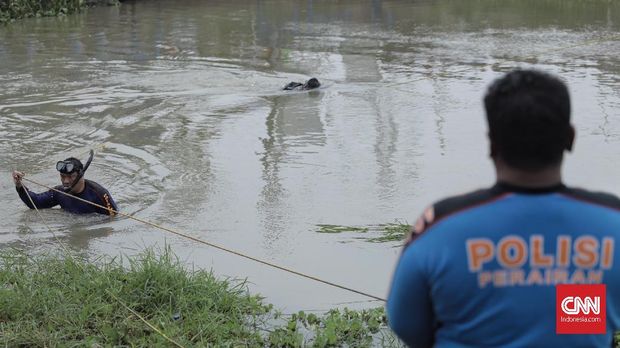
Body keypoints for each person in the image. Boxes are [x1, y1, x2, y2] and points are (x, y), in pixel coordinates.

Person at [387, 69, 619, 347]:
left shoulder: (440, 228)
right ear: (569, 138)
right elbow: (576, 328)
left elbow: (407, 325)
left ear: (492, 143)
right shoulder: (611, 225)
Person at [12, 156, 118, 216]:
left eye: (71, 176)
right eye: (62, 176)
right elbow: (36, 204)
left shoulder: (99, 193)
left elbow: (113, 219)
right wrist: (19, 186)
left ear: (81, 175)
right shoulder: (59, 192)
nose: (66, 181)